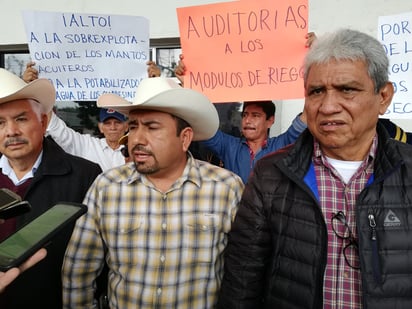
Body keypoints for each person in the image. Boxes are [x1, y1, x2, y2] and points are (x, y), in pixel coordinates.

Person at [217, 28, 412, 308]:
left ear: (383, 96)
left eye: (347, 89)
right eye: (317, 91)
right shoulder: (270, 175)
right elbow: (242, 283)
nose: (328, 106)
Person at [61, 77, 245, 308]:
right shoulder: (107, 187)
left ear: (185, 138)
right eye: (134, 126)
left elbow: (243, 272)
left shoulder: (225, 188)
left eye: (152, 127)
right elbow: (79, 269)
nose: (136, 139)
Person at [0, 68, 102, 308]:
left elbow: (99, 256)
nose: (11, 131)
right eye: (0, 122)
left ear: (44, 121)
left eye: (21, 119)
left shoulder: (85, 176)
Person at [23, 61, 129, 171]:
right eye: (107, 123)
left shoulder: (136, 149)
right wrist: (33, 89)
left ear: (126, 126)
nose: (113, 127)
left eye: (117, 122)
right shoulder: (88, 145)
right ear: (100, 127)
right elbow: (57, 129)